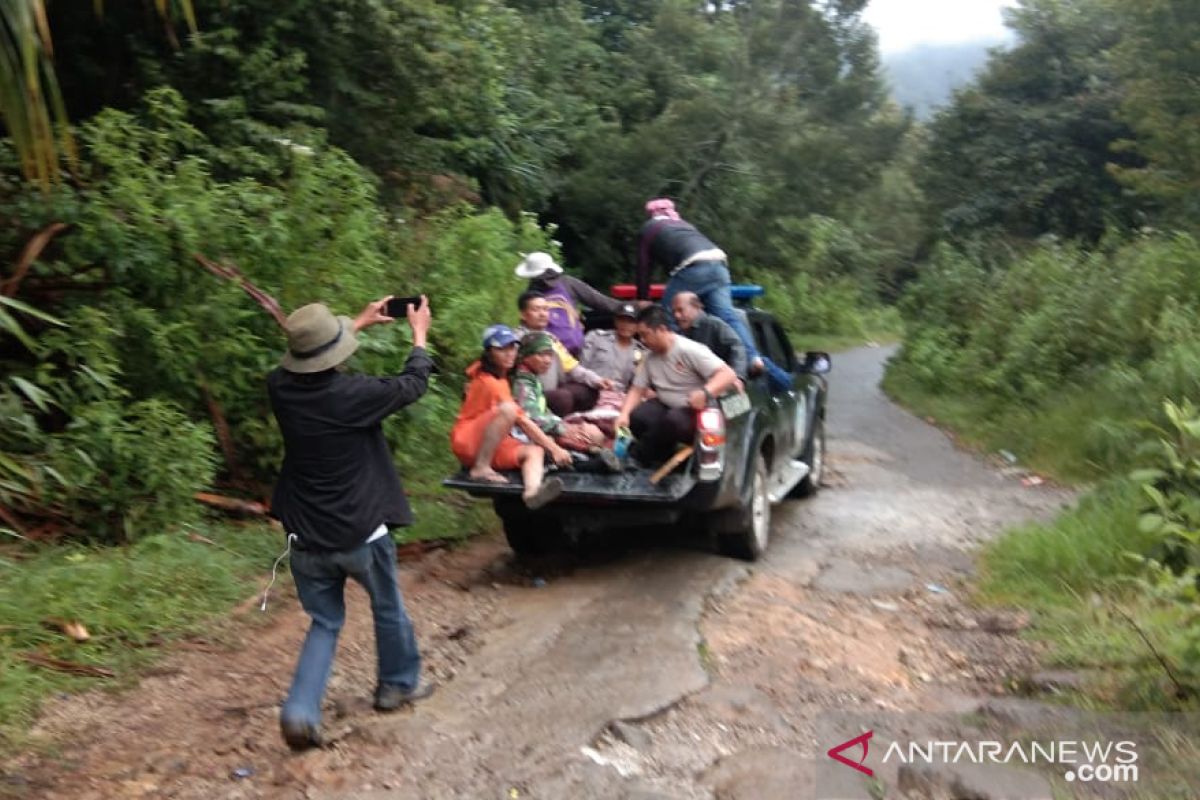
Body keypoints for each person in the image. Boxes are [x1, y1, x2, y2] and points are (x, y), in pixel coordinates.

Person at [267, 295, 435, 751]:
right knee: (387, 606)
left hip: (306, 534)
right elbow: (411, 385)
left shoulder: (279, 389)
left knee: (324, 621)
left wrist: (357, 322)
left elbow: (303, 366)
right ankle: (397, 685)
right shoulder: (353, 396)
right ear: (334, 354)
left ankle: (300, 711)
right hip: (360, 531)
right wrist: (419, 335)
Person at [450, 323, 573, 507]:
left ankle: (532, 493)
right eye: (502, 349)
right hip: (468, 440)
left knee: (534, 451)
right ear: (490, 352)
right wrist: (554, 449)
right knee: (509, 410)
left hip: (489, 440)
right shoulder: (489, 381)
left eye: (512, 348)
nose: (510, 354)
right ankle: (481, 468)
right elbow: (522, 420)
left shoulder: (502, 377)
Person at [637, 198, 764, 374]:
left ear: (651, 214)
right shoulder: (683, 224)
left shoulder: (649, 228)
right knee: (727, 316)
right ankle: (753, 358)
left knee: (667, 317)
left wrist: (643, 298)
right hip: (718, 263)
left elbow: (644, 266)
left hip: (693, 266)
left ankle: (674, 367)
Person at [615, 306, 738, 463]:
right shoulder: (649, 357)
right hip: (666, 406)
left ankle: (640, 455)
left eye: (646, 335)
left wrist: (705, 393)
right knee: (638, 417)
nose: (643, 341)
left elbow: (728, 374)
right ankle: (661, 455)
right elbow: (637, 389)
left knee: (673, 421)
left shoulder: (689, 349)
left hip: (693, 410)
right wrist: (624, 414)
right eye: (640, 336)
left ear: (661, 329)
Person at [512, 332, 622, 472]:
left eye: (550, 355)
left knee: (592, 433)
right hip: (525, 433)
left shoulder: (531, 377)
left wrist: (563, 425)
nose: (547, 360)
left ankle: (591, 456)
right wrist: (563, 429)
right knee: (586, 436)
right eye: (541, 355)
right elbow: (532, 418)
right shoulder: (523, 383)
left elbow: (542, 410)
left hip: (542, 426)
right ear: (526, 356)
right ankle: (587, 463)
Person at [515, 290, 610, 415]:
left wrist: (597, 380)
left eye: (545, 309)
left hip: (553, 389)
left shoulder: (550, 338)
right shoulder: (516, 339)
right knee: (562, 398)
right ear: (523, 314)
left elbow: (572, 368)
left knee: (589, 390)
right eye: (536, 309)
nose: (542, 314)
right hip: (529, 394)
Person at [515, 251, 625, 356]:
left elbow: (602, 302)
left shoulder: (566, 284)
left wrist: (630, 307)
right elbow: (602, 302)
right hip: (549, 354)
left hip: (568, 354)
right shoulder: (565, 283)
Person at [671, 291, 748, 380]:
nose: (676, 315)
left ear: (696, 307)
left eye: (680, 310)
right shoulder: (676, 333)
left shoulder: (714, 325)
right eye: (674, 312)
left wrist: (737, 377)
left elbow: (737, 348)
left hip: (720, 384)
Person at [580, 302, 646, 390]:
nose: (625, 325)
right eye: (622, 320)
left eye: (631, 322)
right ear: (615, 321)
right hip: (589, 389)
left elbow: (637, 384)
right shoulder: (595, 337)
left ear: (639, 325)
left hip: (618, 395)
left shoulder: (641, 352)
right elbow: (581, 367)